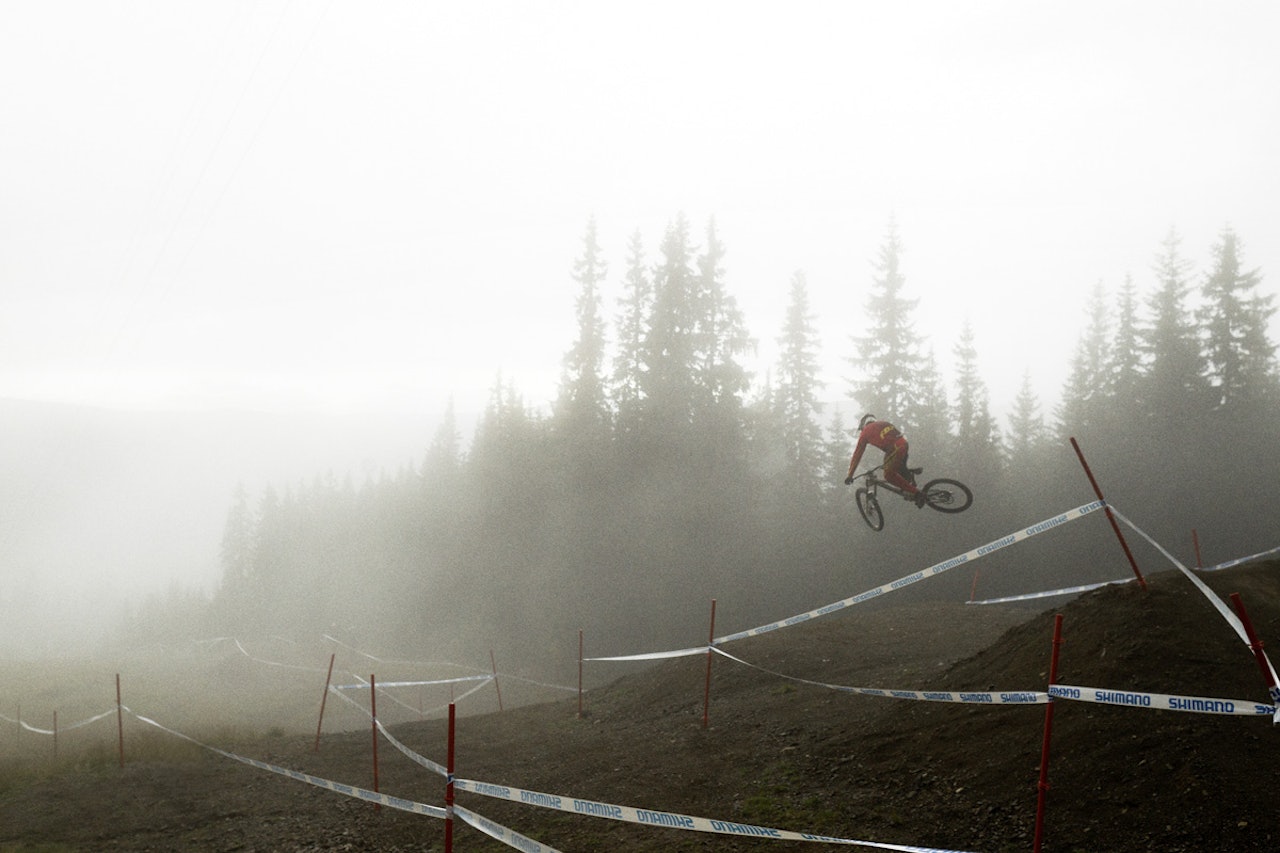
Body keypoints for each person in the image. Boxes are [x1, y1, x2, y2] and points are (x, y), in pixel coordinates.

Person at [844, 414, 925, 506]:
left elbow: (857, 455)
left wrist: (850, 475)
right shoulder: (884, 423)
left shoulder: (865, 432)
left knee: (888, 476)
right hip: (903, 444)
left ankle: (918, 494)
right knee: (897, 469)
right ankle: (910, 484)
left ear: (863, 425)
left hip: (894, 449)